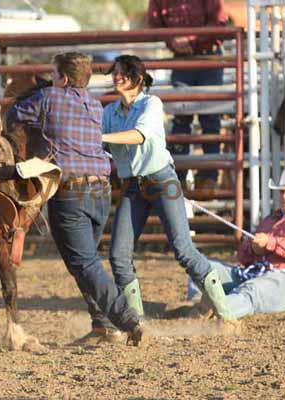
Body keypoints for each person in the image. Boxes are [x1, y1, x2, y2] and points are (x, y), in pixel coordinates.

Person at [8, 52, 146, 345]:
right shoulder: (95, 105)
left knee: (84, 263)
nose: (52, 80)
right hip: (101, 191)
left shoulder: (48, 98)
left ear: (64, 78)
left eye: (54, 75)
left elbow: (15, 114)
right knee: (86, 261)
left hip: (70, 192)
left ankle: (127, 319)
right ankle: (102, 325)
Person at [100, 55, 236, 334]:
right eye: (115, 73)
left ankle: (226, 312)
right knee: (118, 254)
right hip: (132, 185)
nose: (116, 77)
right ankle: (135, 322)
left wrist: (99, 138)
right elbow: (101, 144)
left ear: (137, 79)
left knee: (183, 249)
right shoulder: (109, 112)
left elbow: (138, 136)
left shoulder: (151, 103)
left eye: (122, 73)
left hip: (162, 181)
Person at [190, 167, 285, 319]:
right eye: (282, 191)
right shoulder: (270, 220)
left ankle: (219, 313)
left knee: (253, 291)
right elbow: (242, 255)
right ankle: (195, 305)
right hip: (256, 273)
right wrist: (254, 249)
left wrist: (270, 243)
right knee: (203, 267)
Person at [148, 0, 228, 187]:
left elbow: (219, 21)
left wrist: (187, 39)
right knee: (182, 118)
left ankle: (207, 178)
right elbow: (154, 24)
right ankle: (181, 177)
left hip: (206, 56)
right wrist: (173, 40)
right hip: (187, 57)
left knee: (208, 118)